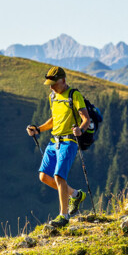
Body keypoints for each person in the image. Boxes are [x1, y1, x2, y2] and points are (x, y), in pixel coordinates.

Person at [27, 66, 91, 227]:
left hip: (69, 141)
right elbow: (54, 119)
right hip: (54, 141)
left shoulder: (74, 95)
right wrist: (39, 129)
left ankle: (63, 216)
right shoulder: (53, 96)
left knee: (59, 176)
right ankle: (76, 195)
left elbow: (86, 119)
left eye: (54, 83)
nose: (51, 86)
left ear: (63, 80)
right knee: (44, 176)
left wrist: (80, 130)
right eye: (49, 83)